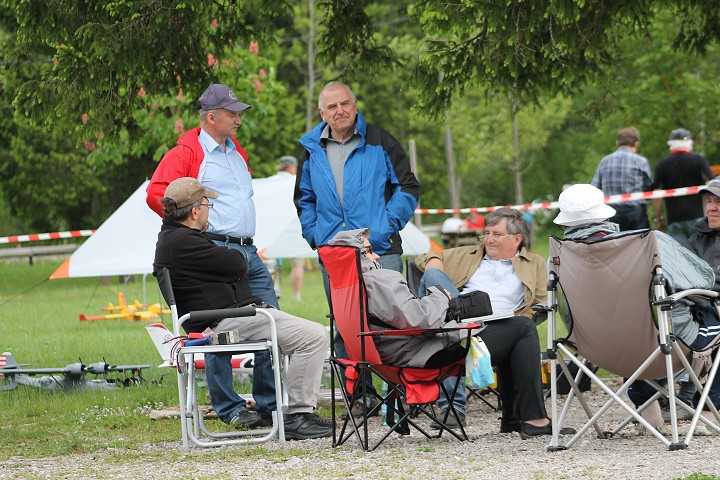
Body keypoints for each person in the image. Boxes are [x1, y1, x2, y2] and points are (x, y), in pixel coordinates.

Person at [328, 228, 556, 439]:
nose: (376, 256)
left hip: (384, 357)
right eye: (369, 251)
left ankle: (513, 419)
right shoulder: (380, 279)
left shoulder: (344, 286)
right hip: (420, 357)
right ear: (357, 255)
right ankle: (533, 419)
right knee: (522, 328)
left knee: (510, 329)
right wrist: (441, 296)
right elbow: (418, 319)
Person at [153, 177, 331, 440]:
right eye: (207, 204)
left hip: (225, 317)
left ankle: (294, 411)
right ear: (194, 211)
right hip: (225, 321)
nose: (209, 209)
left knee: (306, 334)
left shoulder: (174, 239)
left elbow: (230, 269)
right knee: (314, 335)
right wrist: (233, 267)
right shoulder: (184, 242)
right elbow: (238, 263)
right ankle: (297, 415)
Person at [146, 83, 279, 426]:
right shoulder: (185, 153)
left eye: (238, 113)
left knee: (273, 322)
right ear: (211, 117)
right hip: (215, 247)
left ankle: (269, 405)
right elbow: (159, 195)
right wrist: (190, 233)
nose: (238, 119)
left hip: (248, 248)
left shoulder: (237, 151)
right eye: (232, 114)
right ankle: (230, 409)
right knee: (216, 326)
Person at [294, 81, 420, 416]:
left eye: (345, 103)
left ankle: (400, 396)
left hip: (380, 250)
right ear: (322, 113)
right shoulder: (310, 148)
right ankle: (359, 397)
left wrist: (383, 230)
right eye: (332, 107)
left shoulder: (380, 140)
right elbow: (304, 200)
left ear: (355, 103)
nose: (340, 111)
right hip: (335, 254)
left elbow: (408, 187)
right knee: (345, 325)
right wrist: (318, 239)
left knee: (393, 322)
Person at [553, 183, 720, 433]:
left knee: (633, 325)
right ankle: (708, 412)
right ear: (606, 214)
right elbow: (702, 281)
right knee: (675, 321)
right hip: (663, 345)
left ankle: (648, 414)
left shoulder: (559, 256)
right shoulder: (644, 243)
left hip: (598, 349)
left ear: (564, 223)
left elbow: (564, 311)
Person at [413, 208, 547, 431]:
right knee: (434, 275)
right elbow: (424, 257)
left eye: (496, 234)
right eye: (486, 233)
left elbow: (537, 303)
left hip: (497, 332)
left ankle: (520, 419)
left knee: (523, 326)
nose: (489, 239)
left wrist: (517, 321)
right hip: (458, 326)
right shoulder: (467, 255)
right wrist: (434, 263)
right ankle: (528, 419)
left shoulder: (534, 263)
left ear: (516, 238)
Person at [652, 128, 713, 247]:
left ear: (671, 144)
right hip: (698, 217)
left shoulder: (662, 164)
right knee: (704, 257)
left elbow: (657, 196)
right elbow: (711, 185)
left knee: (681, 261)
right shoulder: (698, 160)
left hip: (674, 220)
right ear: (689, 143)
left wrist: (658, 219)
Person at [592, 126, 654, 231]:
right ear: (636, 143)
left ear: (617, 143)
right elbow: (650, 186)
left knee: (614, 245)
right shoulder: (640, 161)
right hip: (635, 213)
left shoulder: (604, 161)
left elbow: (595, 188)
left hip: (610, 214)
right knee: (638, 245)